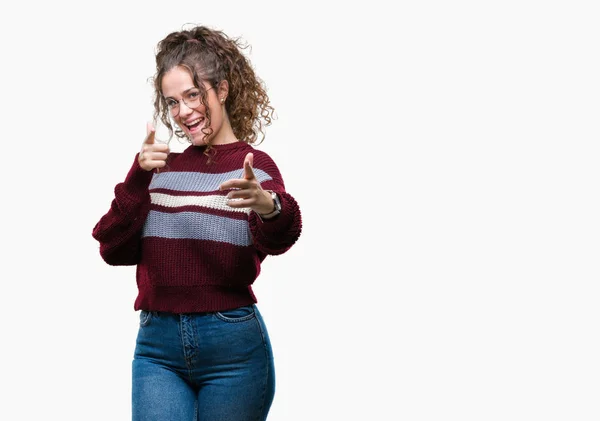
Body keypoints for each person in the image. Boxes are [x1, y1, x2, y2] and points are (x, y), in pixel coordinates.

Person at [92, 24, 302, 421]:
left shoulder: (253, 167)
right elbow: (112, 247)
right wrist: (138, 177)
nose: (183, 111)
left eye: (193, 94)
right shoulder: (160, 169)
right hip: (157, 350)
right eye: (172, 102)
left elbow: (281, 234)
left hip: (233, 350)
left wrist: (268, 205)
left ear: (221, 90)